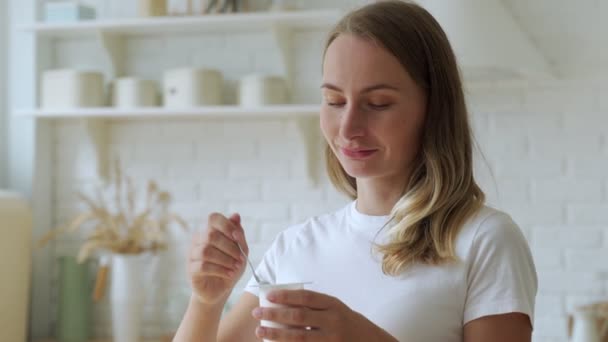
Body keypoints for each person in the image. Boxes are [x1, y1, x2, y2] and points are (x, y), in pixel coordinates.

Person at [173, 1, 538, 341]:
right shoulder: (295, 247)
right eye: (334, 101)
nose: (348, 128)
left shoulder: (484, 240)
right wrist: (206, 301)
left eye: (377, 104)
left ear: (434, 108)